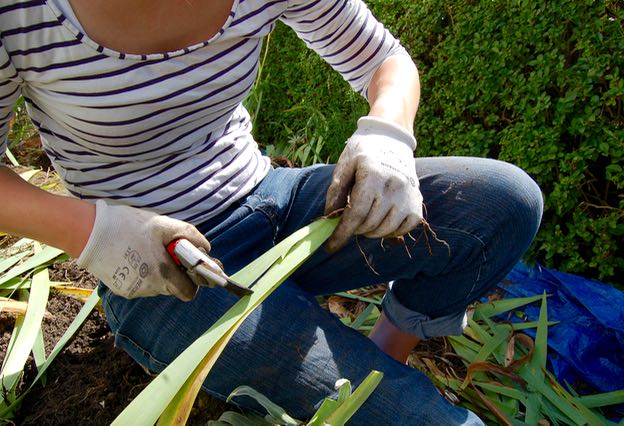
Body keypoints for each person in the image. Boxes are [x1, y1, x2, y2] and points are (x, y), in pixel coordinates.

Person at [0, 0, 543, 424]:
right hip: (161, 270)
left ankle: (387, 354)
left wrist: (388, 133)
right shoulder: (22, 14)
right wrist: (93, 231)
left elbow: (384, 60)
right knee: (421, 419)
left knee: (502, 202)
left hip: (269, 202)